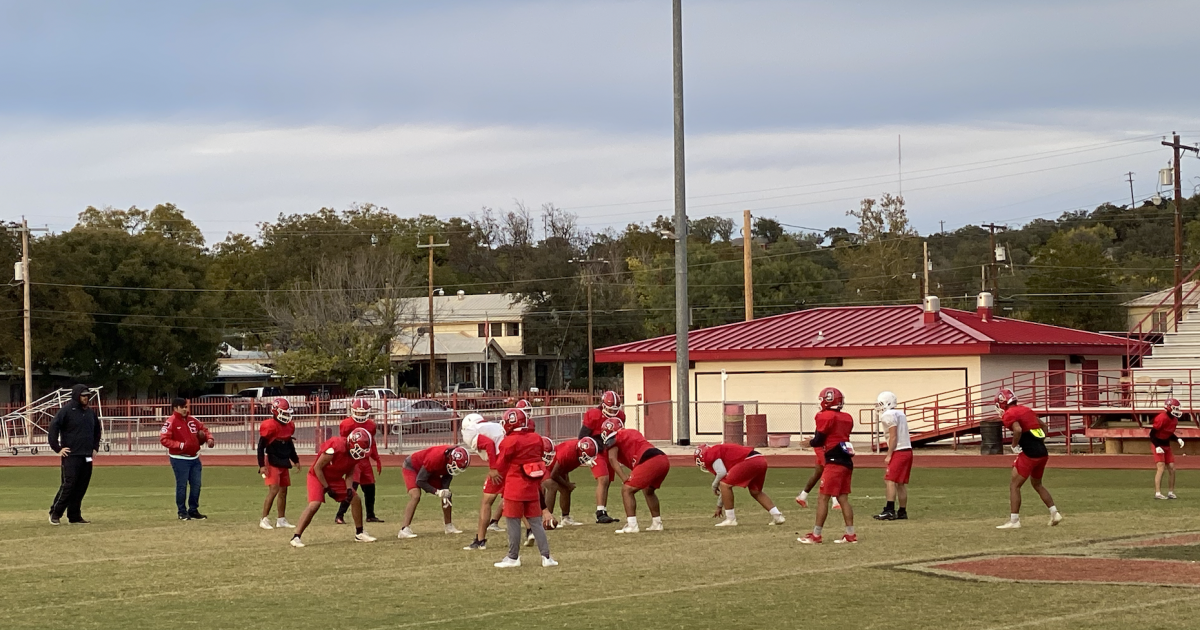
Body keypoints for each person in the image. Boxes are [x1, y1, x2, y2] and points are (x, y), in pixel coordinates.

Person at [289, 427, 377, 547]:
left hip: (335, 479)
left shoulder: (354, 455)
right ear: (352, 441)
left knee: (355, 499)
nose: (360, 453)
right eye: (359, 449)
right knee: (315, 504)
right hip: (317, 477)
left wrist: (349, 488)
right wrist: (327, 487)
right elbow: (317, 468)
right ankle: (296, 537)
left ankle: (359, 533)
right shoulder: (336, 446)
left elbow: (350, 472)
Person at [491, 408, 557, 568]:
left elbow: (501, 463)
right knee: (535, 522)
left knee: (513, 522)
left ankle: (513, 557)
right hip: (533, 485)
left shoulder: (510, 440)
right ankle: (546, 557)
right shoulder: (536, 438)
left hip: (515, 485)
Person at [995, 388, 1063, 529]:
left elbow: (1018, 429)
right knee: (1037, 484)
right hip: (1042, 452)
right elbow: (1043, 425)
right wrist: (1039, 442)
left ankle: (1014, 521)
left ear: (1002, 402)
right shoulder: (1026, 409)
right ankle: (1054, 512)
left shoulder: (1009, 413)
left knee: (1014, 485)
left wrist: (1014, 445)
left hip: (1029, 454)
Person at [798, 387, 857, 544]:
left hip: (833, 460)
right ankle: (850, 534)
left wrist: (808, 442)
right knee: (843, 497)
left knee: (823, 498)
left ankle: (816, 535)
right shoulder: (847, 417)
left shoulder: (825, 416)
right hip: (846, 460)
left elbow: (819, 440)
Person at [48, 384, 103, 525]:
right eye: (83, 395)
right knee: (69, 484)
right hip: (71, 456)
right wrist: (57, 448)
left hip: (87, 455)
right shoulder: (66, 411)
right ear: (76, 396)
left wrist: (95, 447)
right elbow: (53, 427)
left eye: (87, 396)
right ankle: (55, 512)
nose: (86, 398)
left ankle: (74, 516)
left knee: (81, 486)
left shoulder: (91, 413)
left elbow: (97, 431)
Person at [602, 418, 669, 534]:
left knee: (627, 490)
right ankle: (657, 523)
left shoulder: (615, 438)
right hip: (663, 458)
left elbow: (612, 459)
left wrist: (623, 478)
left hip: (649, 460)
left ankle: (632, 525)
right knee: (648, 490)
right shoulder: (632, 432)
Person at [695, 443, 785, 527]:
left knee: (725, 484)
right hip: (760, 460)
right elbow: (724, 487)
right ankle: (777, 516)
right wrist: (719, 506)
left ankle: (731, 519)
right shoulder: (719, 451)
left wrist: (714, 486)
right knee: (756, 491)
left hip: (749, 460)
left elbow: (722, 474)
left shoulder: (711, 454)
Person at [396, 444, 470, 539]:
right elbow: (420, 481)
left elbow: (448, 474)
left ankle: (448, 526)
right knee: (416, 495)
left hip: (429, 469)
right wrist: (437, 492)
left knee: (447, 494)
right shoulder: (435, 458)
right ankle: (404, 529)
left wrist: (445, 489)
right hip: (412, 467)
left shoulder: (449, 457)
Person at [159, 397, 214, 520]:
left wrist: (209, 438)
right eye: (182, 407)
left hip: (194, 458)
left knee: (196, 485)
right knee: (182, 485)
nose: (185, 409)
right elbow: (164, 439)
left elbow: (203, 430)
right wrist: (180, 445)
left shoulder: (192, 420)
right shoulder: (171, 422)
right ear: (175, 408)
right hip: (179, 458)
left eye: (186, 407)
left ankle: (193, 510)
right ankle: (182, 512)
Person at [462, 412, 511, 551]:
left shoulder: (470, 431)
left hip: (500, 461)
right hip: (511, 457)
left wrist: (493, 468)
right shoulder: (493, 426)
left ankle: (480, 540)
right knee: (513, 496)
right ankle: (531, 531)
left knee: (486, 501)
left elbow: (488, 444)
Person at [335, 399, 383, 524]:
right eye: (359, 413)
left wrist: (376, 458)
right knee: (352, 488)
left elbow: (371, 442)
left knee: (370, 488)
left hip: (365, 460)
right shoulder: (346, 424)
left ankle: (370, 515)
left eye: (363, 413)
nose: (361, 416)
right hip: (353, 460)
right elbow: (343, 443)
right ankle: (340, 515)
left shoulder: (371, 425)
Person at [578, 390, 623, 524]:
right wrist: (586, 455)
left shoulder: (621, 415)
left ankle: (603, 510)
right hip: (595, 449)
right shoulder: (593, 415)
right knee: (603, 479)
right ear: (603, 405)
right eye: (610, 409)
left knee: (608, 481)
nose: (613, 412)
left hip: (609, 450)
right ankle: (599, 512)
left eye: (615, 409)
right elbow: (582, 437)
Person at [258, 397, 300, 530]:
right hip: (272, 460)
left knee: (283, 491)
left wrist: (295, 459)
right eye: (284, 412)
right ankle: (264, 518)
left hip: (283, 459)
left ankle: (281, 519)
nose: (287, 415)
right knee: (274, 489)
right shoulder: (269, 426)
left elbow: (289, 443)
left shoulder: (289, 426)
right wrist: (261, 465)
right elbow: (261, 446)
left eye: (288, 413)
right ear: (276, 411)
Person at [873, 391, 912, 521]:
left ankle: (890, 510)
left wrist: (889, 454)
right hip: (907, 450)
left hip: (899, 451)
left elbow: (893, 436)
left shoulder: (888, 415)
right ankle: (902, 511)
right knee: (900, 483)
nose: (878, 406)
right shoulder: (900, 413)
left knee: (890, 480)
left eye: (880, 403)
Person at [542, 437, 595, 527]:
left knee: (566, 490)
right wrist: (567, 484)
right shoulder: (568, 452)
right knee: (552, 486)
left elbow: (564, 467)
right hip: (548, 467)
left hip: (558, 468)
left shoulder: (577, 451)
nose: (586, 460)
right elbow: (554, 474)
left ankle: (565, 518)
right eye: (585, 457)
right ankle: (547, 519)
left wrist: (567, 485)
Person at [1151, 398, 1185, 500]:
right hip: (1157, 443)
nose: (1177, 410)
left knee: (1172, 468)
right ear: (1169, 407)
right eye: (1175, 408)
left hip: (1166, 445)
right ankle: (1158, 493)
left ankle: (1170, 492)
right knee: (1161, 468)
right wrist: (1157, 446)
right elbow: (1151, 434)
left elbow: (1169, 433)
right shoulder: (1162, 418)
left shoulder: (1174, 420)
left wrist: (1177, 439)